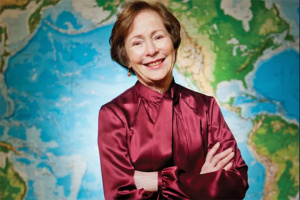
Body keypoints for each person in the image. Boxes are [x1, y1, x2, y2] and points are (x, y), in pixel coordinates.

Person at [98, 1, 249, 199]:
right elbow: (121, 196)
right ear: (126, 57)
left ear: (173, 40)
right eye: (137, 42)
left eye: (158, 37)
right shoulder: (114, 115)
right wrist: (200, 183)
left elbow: (236, 183)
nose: (151, 50)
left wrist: (156, 181)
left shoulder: (206, 107)